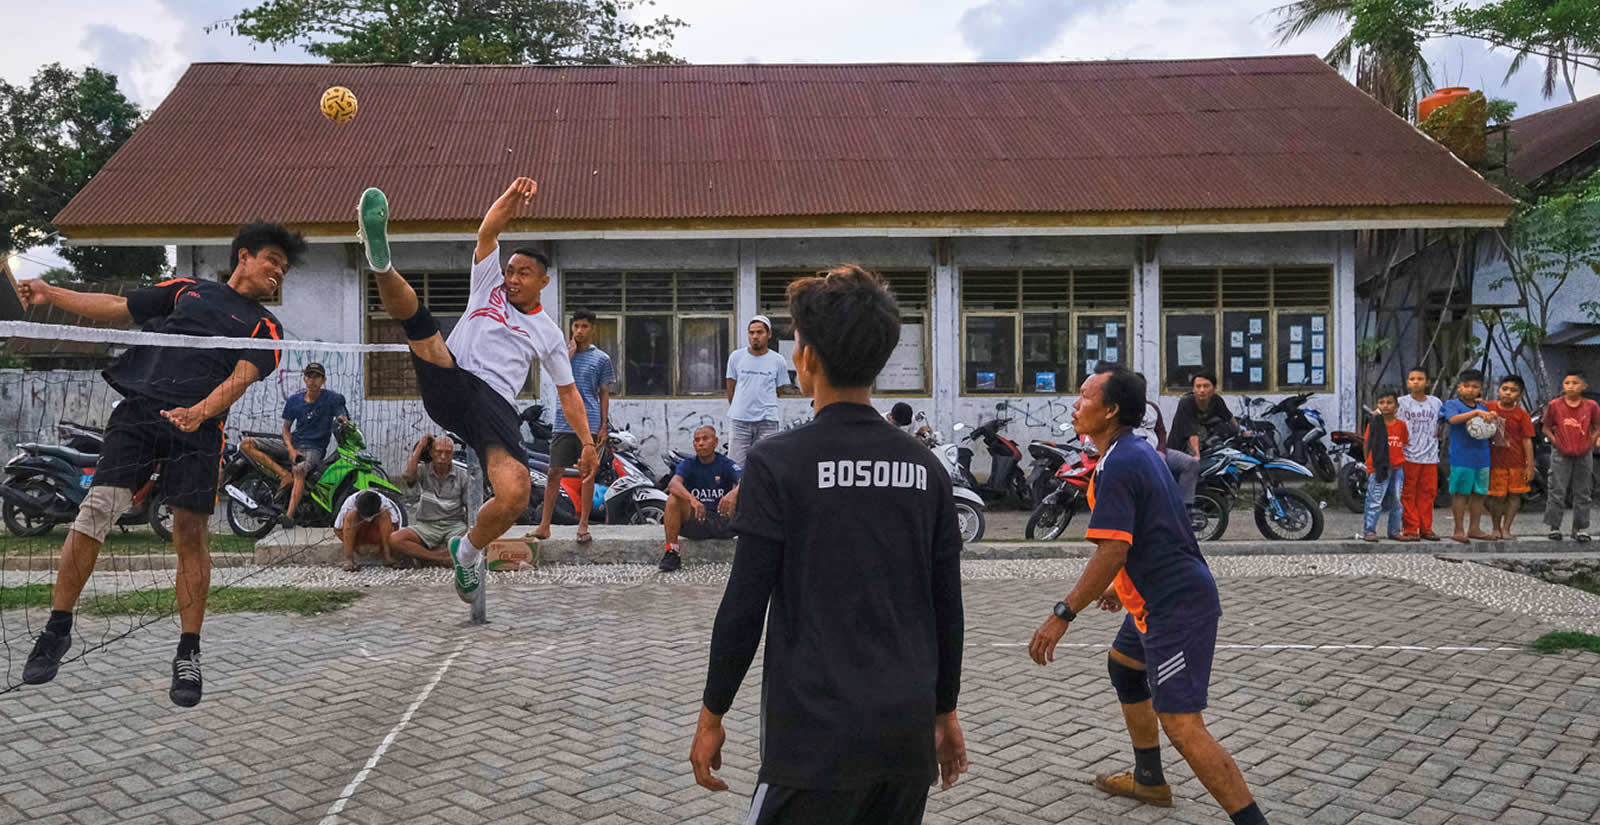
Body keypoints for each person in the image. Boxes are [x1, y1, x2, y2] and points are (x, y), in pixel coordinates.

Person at [689, 265, 968, 823]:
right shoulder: (925, 469)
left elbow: (744, 605)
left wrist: (712, 713)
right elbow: (947, 608)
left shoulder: (776, 464)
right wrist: (945, 712)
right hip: (904, 737)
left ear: (807, 359)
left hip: (811, 742)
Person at [17, 222, 301, 707]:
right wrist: (49, 292)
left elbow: (241, 378)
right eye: (273, 260)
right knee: (97, 510)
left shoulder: (265, 327)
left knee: (189, 533)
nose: (278, 272)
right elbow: (115, 307)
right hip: (141, 409)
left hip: (199, 428)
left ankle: (188, 652)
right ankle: (56, 629)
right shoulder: (186, 290)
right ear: (245, 257)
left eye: (285, 269)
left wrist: (199, 413)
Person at [1028, 363, 1270, 825]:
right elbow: (1152, 528)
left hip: (1174, 606)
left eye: (1085, 396)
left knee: (1181, 724)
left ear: (1111, 410)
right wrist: (1123, 589)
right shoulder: (1134, 450)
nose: (1075, 404)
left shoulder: (1121, 462)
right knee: (1124, 667)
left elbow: (1114, 550)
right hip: (1155, 596)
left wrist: (1062, 614)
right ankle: (1149, 779)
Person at [358, 179, 598, 604]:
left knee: (515, 493)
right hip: (453, 377)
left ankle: (466, 552)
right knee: (422, 327)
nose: (513, 279)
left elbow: (569, 393)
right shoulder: (488, 284)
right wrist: (510, 197)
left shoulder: (547, 333)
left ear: (543, 281)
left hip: (496, 408)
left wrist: (586, 443)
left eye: (524, 273)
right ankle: (381, 263)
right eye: (510, 270)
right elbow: (488, 232)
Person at [534, 309, 614, 543]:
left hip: (589, 423)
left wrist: (603, 426)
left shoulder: (601, 359)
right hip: (562, 421)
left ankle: (583, 525)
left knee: (587, 474)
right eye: (576, 326)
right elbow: (557, 378)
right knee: (553, 473)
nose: (579, 331)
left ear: (593, 329)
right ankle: (544, 525)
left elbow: (604, 393)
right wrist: (567, 355)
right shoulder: (562, 354)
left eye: (584, 327)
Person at [239, 361, 349, 527]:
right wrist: (291, 449)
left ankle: (289, 516)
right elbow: (286, 430)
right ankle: (284, 475)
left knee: (299, 470)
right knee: (246, 444)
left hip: (314, 448)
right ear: (304, 379)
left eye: (317, 377)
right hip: (293, 444)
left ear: (324, 380)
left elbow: (342, 416)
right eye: (309, 376)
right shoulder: (294, 400)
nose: (312, 380)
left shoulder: (332, 399)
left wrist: (343, 421)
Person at [661, 426, 741, 573]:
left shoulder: (726, 464)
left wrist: (732, 494)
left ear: (715, 442)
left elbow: (746, 481)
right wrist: (693, 500)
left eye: (705, 439)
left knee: (741, 492)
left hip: (723, 521)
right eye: (697, 440)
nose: (700, 443)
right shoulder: (688, 464)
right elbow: (673, 484)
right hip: (698, 519)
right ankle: (672, 552)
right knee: (673, 499)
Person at [389, 434, 468, 567]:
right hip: (426, 526)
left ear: (453, 454)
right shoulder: (424, 470)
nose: (443, 457)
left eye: (448, 453)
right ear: (431, 453)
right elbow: (408, 476)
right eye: (439, 452)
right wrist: (420, 446)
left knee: (476, 537)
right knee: (395, 539)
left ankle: (425, 556)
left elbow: (471, 508)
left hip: (454, 525)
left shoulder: (462, 475)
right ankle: (439, 557)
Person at [1541, 370, 1600, 542]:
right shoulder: (1555, 405)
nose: (1571, 386)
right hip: (1560, 453)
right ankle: (1554, 527)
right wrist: (1555, 442)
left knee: (1583, 491)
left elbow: (1596, 426)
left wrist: (1590, 442)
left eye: (1575, 383)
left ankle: (1579, 528)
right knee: (1557, 490)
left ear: (1584, 386)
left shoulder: (1591, 406)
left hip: (1584, 453)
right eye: (1567, 383)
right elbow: (1546, 427)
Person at [1440, 369, 1496, 543]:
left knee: (1479, 493)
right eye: (1466, 386)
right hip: (1461, 457)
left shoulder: (1483, 407)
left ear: (1480, 389)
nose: (1470, 390)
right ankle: (1458, 530)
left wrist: (1490, 417)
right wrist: (1475, 414)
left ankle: (1475, 528)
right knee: (1460, 493)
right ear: (1459, 387)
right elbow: (1453, 419)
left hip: (1482, 456)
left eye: (1475, 387)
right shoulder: (1452, 404)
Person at [725, 315, 790, 463]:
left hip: (767, 421)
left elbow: (779, 391)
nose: (755, 336)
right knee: (736, 465)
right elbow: (730, 387)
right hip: (740, 421)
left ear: (769, 334)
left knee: (767, 463)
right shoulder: (736, 357)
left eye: (759, 332)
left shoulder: (778, 360)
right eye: (751, 332)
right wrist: (741, 407)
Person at [1396, 367, 1443, 541]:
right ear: (1408, 382)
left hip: (1430, 455)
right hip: (1408, 454)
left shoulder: (1436, 402)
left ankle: (1426, 527)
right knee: (1408, 493)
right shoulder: (1401, 402)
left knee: (1428, 492)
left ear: (1427, 382)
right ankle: (1410, 527)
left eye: (1420, 378)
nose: (1416, 382)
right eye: (1412, 379)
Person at [1487, 376, 1535, 541]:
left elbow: (1527, 440)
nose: (1508, 393)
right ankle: (1495, 527)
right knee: (1497, 497)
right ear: (1498, 390)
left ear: (1520, 395)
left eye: (1513, 390)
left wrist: (1530, 465)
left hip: (1517, 462)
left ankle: (1507, 528)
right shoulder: (1488, 408)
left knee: (1514, 496)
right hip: (1495, 462)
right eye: (1505, 389)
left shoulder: (1522, 415)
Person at [1362, 389, 1410, 542]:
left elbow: (1403, 443)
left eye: (1389, 403)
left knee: (1397, 501)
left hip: (1397, 467)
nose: (1385, 406)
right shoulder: (1375, 424)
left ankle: (1395, 530)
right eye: (1382, 403)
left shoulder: (1401, 425)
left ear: (1397, 406)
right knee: (1375, 501)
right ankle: (1369, 531)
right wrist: (1368, 464)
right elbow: (1367, 443)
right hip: (1378, 467)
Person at [1167, 371, 1242, 458]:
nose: (1202, 390)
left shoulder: (1217, 400)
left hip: (1203, 444)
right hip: (1180, 446)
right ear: (1193, 389)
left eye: (1206, 386)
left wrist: (1240, 432)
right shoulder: (1186, 402)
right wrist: (1196, 455)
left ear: (1214, 388)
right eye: (1198, 386)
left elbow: (1229, 418)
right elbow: (1192, 433)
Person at [1144, 399, 1199, 507]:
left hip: (1157, 451)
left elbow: (1161, 432)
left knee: (1190, 463)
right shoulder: (1120, 410)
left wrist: (1161, 451)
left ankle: (1183, 506)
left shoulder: (1152, 407)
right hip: (1138, 455)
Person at [334, 490, 401, 572]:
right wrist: (355, 546)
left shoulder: (384, 502)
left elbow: (395, 525)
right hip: (359, 539)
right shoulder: (349, 503)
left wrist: (380, 546)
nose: (368, 520)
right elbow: (338, 529)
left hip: (377, 538)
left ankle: (388, 557)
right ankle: (349, 559)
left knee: (384, 514)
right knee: (351, 515)